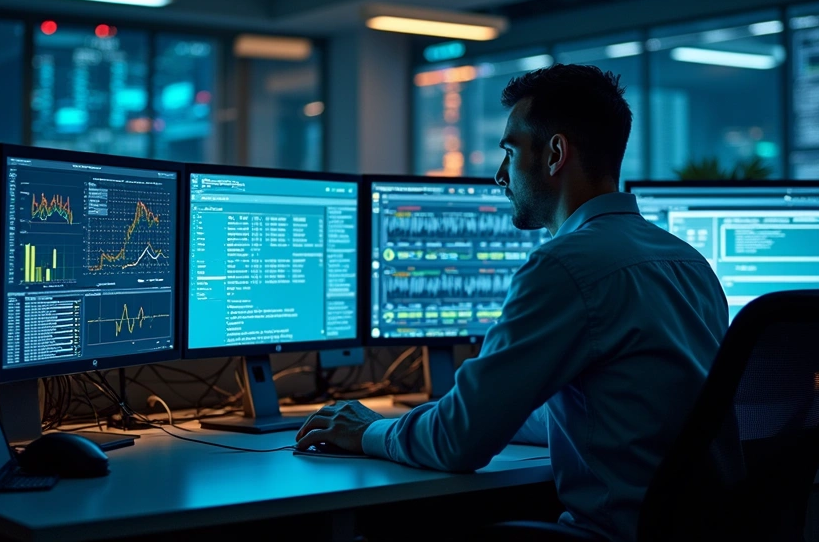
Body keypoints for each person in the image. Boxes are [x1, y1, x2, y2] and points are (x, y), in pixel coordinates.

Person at [296, 64, 729, 541]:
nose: (501, 176)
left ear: (555, 154)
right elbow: (612, 415)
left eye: (510, 151)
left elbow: (457, 443)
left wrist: (368, 432)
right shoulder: (689, 263)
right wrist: (480, 414)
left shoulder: (565, 267)